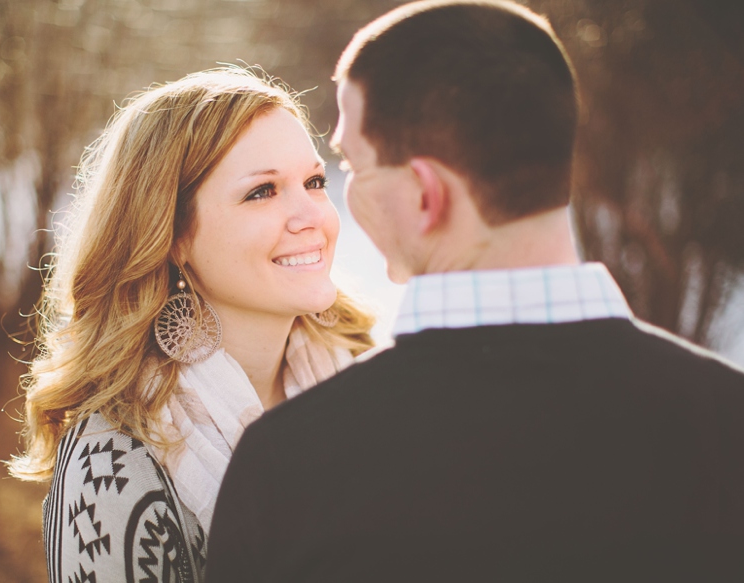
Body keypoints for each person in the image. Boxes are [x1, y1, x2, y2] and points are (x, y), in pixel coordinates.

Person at [206, 2, 744, 581]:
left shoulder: (290, 465)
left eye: (350, 165)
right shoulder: (726, 421)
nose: (341, 198)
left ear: (424, 195)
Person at [7, 68, 374, 583]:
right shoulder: (114, 461)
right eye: (262, 191)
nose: (309, 214)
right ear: (172, 235)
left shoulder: (364, 384)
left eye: (315, 181)